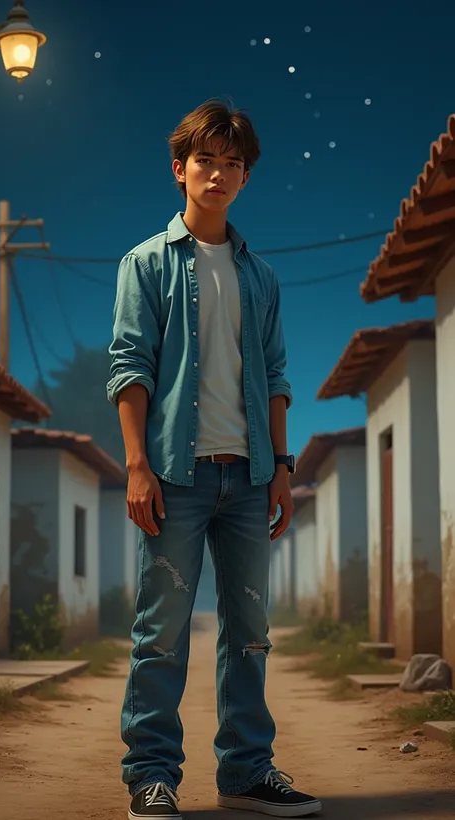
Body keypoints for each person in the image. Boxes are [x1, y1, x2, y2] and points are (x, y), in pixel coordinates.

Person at [107, 99, 322, 820]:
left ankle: (247, 772)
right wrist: (137, 465)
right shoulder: (145, 264)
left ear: (245, 177)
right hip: (176, 475)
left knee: (250, 634)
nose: (220, 174)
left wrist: (284, 466)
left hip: (251, 473)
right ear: (180, 170)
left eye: (234, 164)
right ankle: (151, 775)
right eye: (207, 160)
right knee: (161, 633)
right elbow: (130, 367)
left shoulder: (260, 276)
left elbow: (278, 373)